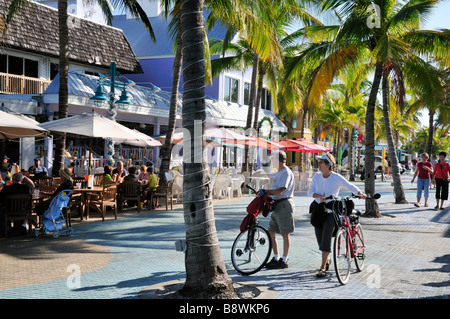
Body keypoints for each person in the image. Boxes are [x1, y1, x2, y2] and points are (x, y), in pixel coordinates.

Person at [307, 152, 366, 278]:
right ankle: (327, 258)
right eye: (319, 162)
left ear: (329, 165)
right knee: (320, 238)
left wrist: (360, 193)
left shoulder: (336, 177)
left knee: (327, 235)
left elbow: (349, 186)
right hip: (318, 210)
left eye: (321, 162)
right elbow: (310, 191)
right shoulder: (317, 176)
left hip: (331, 211)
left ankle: (323, 267)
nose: (319, 164)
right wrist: (317, 196)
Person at [257, 150, 295, 269]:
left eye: (273, 159)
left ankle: (284, 259)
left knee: (285, 233)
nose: (272, 160)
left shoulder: (286, 173)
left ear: (278, 160)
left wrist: (266, 191)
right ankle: (276, 257)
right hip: (277, 205)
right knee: (271, 232)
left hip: (284, 204)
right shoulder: (278, 172)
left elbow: (280, 191)